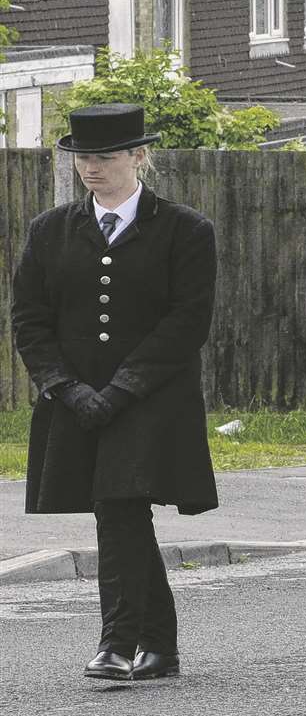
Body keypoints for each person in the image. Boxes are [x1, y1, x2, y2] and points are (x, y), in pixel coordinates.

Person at [11, 104, 218, 683]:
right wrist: (65, 387)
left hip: (152, 399)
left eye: (103, 157)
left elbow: (186, 324)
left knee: (120, 506)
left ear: (138, 156)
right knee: (119, 508)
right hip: (76, 400)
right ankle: (160, 647)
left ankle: (117, 643)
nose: (91, 169)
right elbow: (29, 318)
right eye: (82, 158)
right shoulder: (51, 230)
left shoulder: (185, 230)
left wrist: (122, 389)